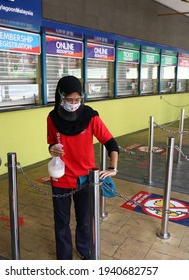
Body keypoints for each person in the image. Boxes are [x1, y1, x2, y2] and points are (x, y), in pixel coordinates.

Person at [47, 75, 119, 260]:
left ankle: (84, 250)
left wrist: (113, 168)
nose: (73, 103)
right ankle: (64, 258)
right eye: (69, 99)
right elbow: (51, 145)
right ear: (60, 96)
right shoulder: (52, 118)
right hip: (60, 177)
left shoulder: (90, 117)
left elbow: (111, 144)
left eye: (77, 99)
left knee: (85, 221)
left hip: (85, 178)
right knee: (61, 221)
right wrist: (52, 149)